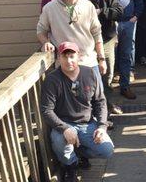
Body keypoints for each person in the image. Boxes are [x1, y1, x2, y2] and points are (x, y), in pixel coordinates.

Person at [41, 42, 114, 182]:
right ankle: (71, 166)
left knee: (107, 150)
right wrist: (64, 128)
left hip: (87, 123)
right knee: (58, 142)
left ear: (78, 56)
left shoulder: (90, 73)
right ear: (58, 58)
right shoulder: (52, 80)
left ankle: (78, 152)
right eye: (64, 57)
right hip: (63, 123)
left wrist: (102, 127)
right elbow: (46, 110)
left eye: (72, 56)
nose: (69, 60)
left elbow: (100, 102)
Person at [37, 0, 106, 74]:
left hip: (88, 62)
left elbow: (97, 33)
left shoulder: (89, 6)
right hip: (64, 64)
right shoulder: (50, 8)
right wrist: (46, 42)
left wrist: (101, 59)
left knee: (96, 90)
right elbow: (41, 30)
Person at [80, 0, 123, 114]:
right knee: (89, 74)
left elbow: (119, 11)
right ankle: (92, 108)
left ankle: (108, 106)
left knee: (108, 74)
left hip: (107, 39)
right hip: (88, 41)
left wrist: (101, 11)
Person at [106, 0, 143, 99]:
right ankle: (107, 90)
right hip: (112, 23)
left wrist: (136, 16)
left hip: (129, 22)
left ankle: (125, 86)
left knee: (126, 54)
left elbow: (139, 0)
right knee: (110, 55)